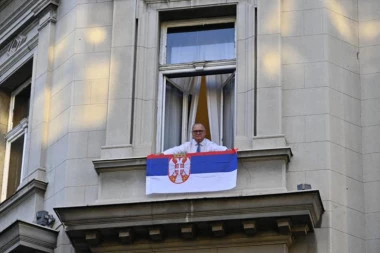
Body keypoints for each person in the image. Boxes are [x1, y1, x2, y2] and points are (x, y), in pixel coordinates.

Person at [162, 123, 228, 155]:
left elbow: (219, 148)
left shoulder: (209, 145)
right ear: (192, 133)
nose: (198, 133)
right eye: (195, 131)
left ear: (205, 132)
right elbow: (176, 150)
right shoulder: (188, 145)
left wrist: (228, 151)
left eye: (200, 131)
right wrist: (163, 154)